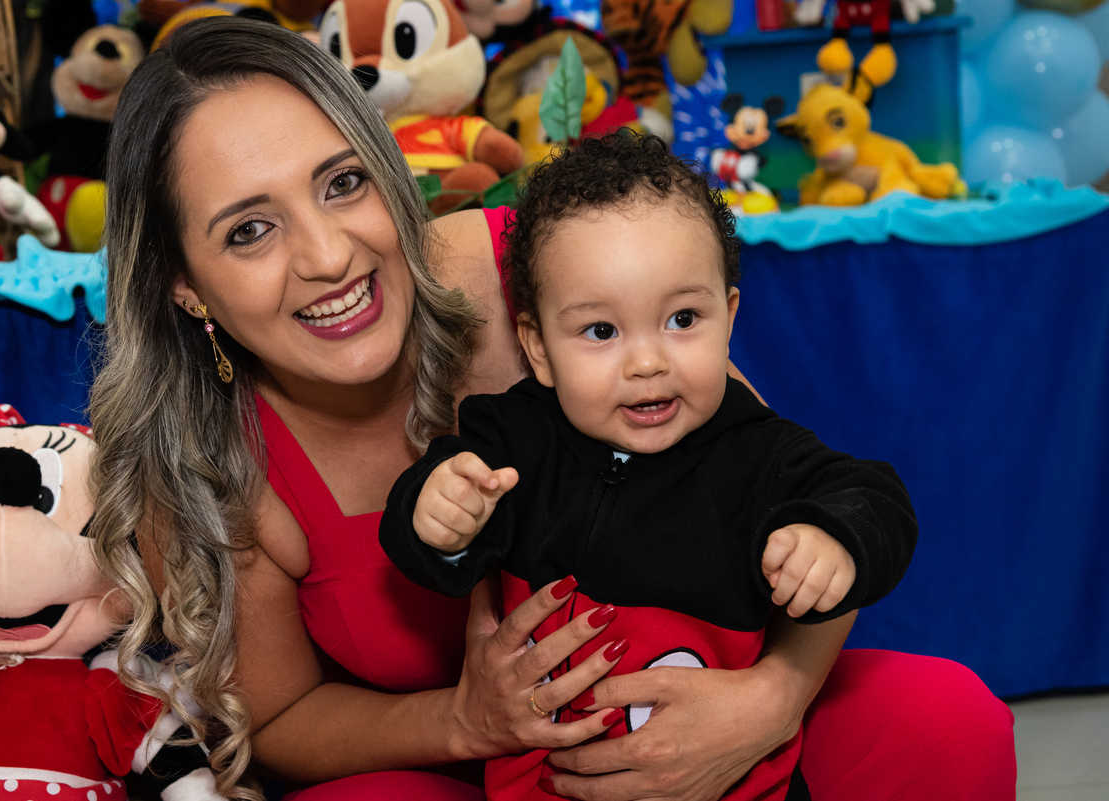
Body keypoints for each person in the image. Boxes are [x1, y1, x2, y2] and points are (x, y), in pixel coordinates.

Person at [88, 15, 1016, 801]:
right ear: (184, 284)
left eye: (343, 183)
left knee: (944, 719)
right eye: (250, 230)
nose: (328, 256)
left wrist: (771, 698)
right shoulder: (204, 457)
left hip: (712, 689)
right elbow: (284, 716)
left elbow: (777, 476)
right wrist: (465, 721)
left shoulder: (540, 275)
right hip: (455, 765)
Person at [378, 133, 917, 801]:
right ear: (538, 347)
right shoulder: (510, 439)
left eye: (682, 318)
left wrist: (834, 536)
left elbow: (873, 495)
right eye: (601, 331)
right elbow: (432, 546)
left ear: (729, 318)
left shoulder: (758, 451)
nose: (647, 362)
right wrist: (438, 516)